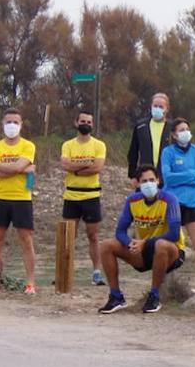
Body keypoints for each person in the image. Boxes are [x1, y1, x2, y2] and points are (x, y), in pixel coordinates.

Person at [97, 165, 185, 314]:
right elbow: (120, 231)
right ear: (137, 183)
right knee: (106, 245)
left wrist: (145, 242)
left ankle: (154, 295)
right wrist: (129, 243)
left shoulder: (170, 200)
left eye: (152, 180)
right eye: (144, 181)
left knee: (161, 244)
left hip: (171, 251)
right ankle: (116, 296)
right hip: (143, 250)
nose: (148, 184)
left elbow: (174, 234)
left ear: (158, 181)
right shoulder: (132, 201)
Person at [0, 108, 37, 295]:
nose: (11, 125)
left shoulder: (28, 146)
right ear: (2, 124)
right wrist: (18, 169)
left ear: (21, 125)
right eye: (8, 122)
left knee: (26, 240)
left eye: (15, 122)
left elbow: (15, 167)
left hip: (21, 198)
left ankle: (30, 284)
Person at [59, 109, 107, 285]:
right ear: (76, 123)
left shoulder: (99, 145)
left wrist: (76, 168)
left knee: (93, 236)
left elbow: (97, 167)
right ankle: (63, 272)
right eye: (83, 121)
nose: (86, 124)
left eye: (89, 122)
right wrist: (86, 164)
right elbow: (65, 164)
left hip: (91, 196)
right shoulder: (67, 145)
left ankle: (96, 272)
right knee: (68, 236)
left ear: (92, 125)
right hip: (71, 195)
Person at [160, 118, 195, 282]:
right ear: (174, 135)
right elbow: (168, 178)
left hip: (191, 203)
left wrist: (182, 176)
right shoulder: (168, 152)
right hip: (173, 203)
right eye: (181, 130)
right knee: (170, 244)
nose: (185, 132)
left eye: (187, 129)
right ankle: (165, 282)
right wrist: (190, 174)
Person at [126, 93, 171, 187]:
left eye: (161, 107)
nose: (157, 109)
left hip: (166, 178)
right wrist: (132, 175)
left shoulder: (172, 127)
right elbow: (133, 153)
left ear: (167, 109)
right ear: (151, 107)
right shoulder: (140, 126)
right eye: (155, 106)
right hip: (145, 177)